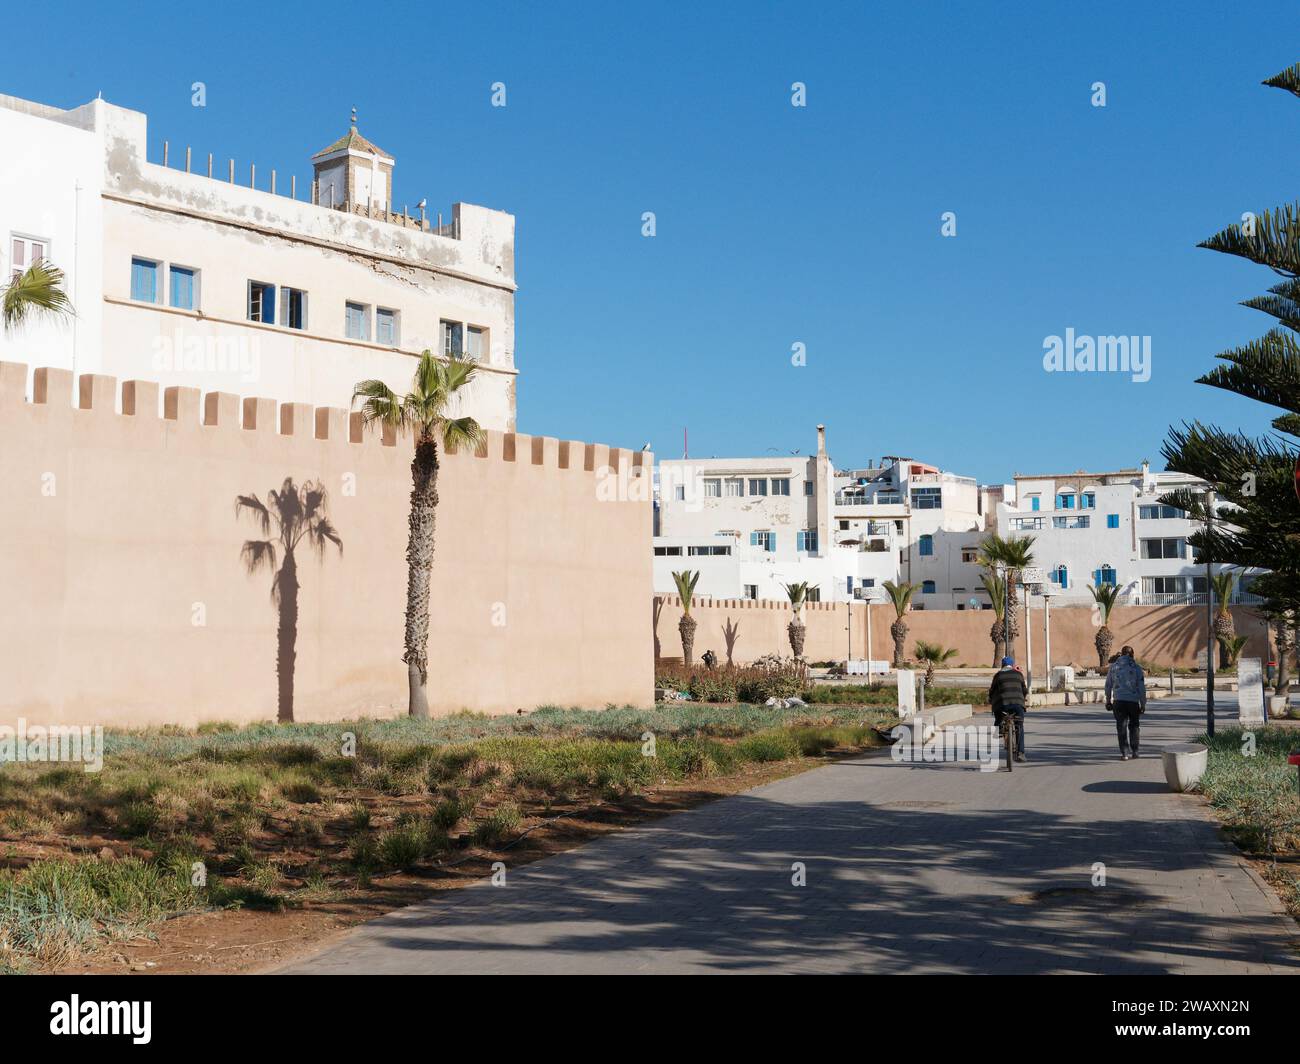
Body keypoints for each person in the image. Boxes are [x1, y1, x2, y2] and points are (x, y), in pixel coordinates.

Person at [1105, 644, 1147, 760]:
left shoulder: (1113, 667)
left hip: (1118, 701)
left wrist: (1108, 700)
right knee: (1134, 726)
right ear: (1132, 654)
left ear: (1121, 654)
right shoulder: (1137, 668)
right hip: (1133, 702)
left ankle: (1124, 753)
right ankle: (1135, 751)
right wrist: (1143, 704)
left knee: (1121, 727)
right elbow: (1141, 688)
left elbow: (1108, 685)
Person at [989, 656, 1029, 762]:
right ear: (1012, 665)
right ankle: (1021, 753)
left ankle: (999, 728)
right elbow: (1024, 690)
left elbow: (992, 690)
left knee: (998, 715)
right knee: (1019, 726)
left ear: (1002, 665)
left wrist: (991, 700)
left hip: (1002, 705)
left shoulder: (998, 675)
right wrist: (1022, 699)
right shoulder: (1019, 674)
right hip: (1018, 705)